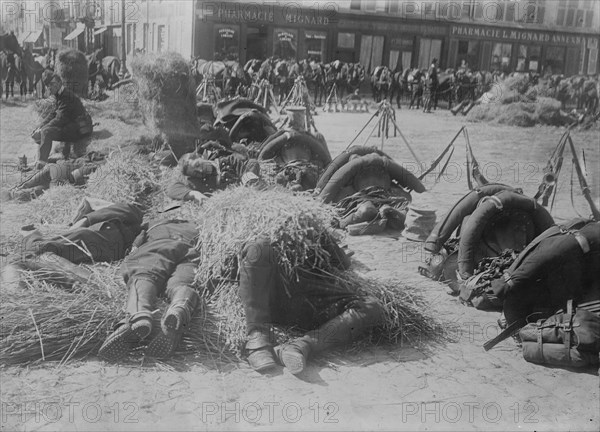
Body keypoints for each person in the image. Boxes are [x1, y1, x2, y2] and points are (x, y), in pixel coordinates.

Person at [238, 234, 384, 374]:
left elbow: (342, 264)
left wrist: (322, 235)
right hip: (274, 297)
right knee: (259, 247)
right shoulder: (258, 234)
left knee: (372, 307)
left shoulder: (315, 229)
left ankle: (304, 345)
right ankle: (258, 336)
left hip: (313, 300)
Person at [98, 218, 201, 361]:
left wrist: (134, 249)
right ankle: (180, 306)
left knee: (144, 274)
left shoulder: (154, 222)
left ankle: (138, 315)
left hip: (159, 244)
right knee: (181, 283)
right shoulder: (198, 224)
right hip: (191, 250)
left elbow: (137, 242)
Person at [31, 70, 92, 169]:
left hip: (80, 130)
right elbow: (53, 114)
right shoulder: (60, 95)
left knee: (46, 131)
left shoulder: (67, 96)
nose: (50, 87)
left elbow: (60, 119)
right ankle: (39, 160)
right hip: (72, 126)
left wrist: (43, 129)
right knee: (42, 130)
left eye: (52, 84)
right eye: (48, 85)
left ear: (59, 83)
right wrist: (39, 127)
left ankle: (41, 164)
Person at [165, 146, 261, 203]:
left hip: (247, 196)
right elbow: (171, 189)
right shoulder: (199, 183)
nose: (200, 170)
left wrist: (247, 181)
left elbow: (249, 165)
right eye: (195, 173)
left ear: (200, 157)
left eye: (198, 164)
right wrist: (193, 194)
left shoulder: (228, 161)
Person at [1, 156, 103, 202]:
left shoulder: (91, 166)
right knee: (46, 190)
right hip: (62, 177)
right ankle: (16, 193)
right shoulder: (96, 168)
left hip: (59, 173)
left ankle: (15, 192)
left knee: (37, 185)